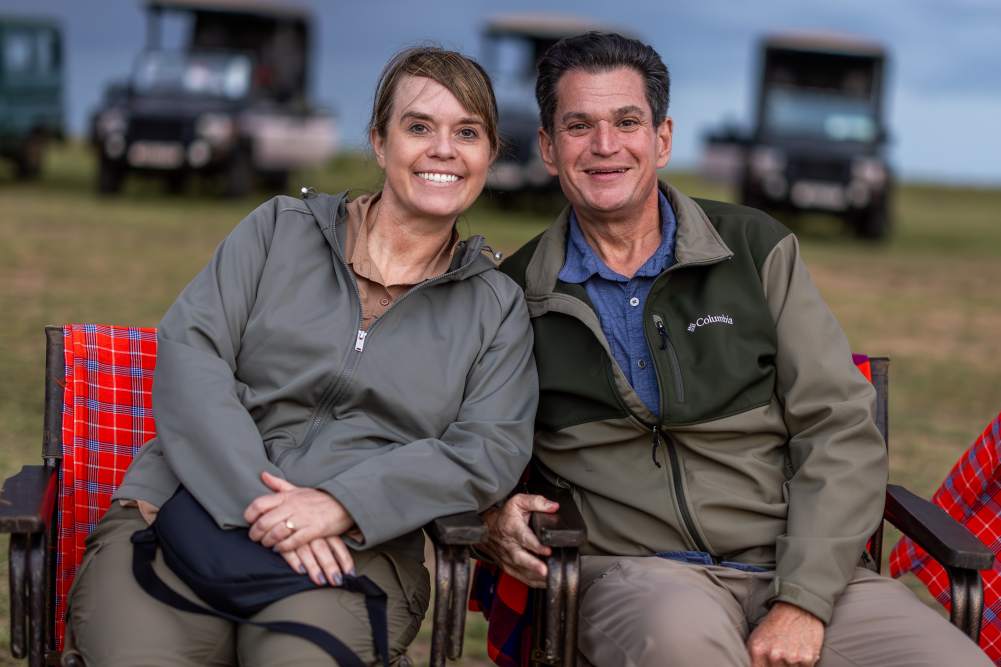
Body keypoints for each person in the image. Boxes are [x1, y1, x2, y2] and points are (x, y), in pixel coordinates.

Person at [479, 32, 991, 667]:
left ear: (662, 138)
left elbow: (838, 428)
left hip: (804, 569)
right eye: (579, 126)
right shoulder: (513, 294)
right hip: (643, 577)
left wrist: (802, 599)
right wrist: (490, 514)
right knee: (682, 648)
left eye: (627, 121)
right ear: (550, 149)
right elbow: (465, 440)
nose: (605, 145)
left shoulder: (754, 249)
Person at [66, 46, 537, 666]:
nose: (443, 149)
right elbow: (193, 353)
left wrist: (342, 504)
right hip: (182, 512)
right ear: (378, 141)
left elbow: (488, 447)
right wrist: (263, 507)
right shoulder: (278, 231)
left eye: (467, 132)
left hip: (351, 553)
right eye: (419, 126)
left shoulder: (496, 306)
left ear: (490, 154)